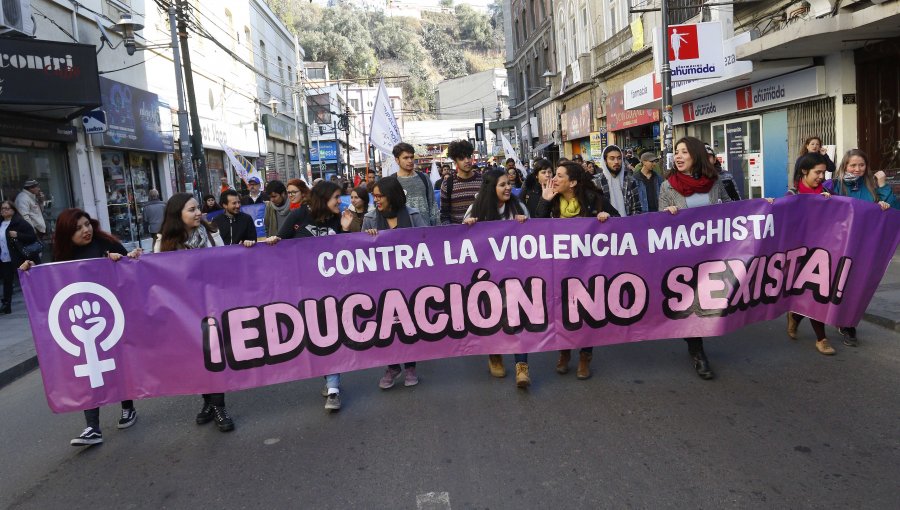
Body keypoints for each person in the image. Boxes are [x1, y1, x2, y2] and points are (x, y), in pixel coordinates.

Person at [20, 208, 141, 445]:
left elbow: (130, 272)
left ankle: (128, 407)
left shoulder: (105, 243)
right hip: (81, 321)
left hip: (112, 316)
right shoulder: (61, 256)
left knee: (118, 363)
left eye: (87, 224)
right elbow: (50, 282)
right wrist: (28, 271)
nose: (85, 230)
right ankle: (92, 427)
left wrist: (118, 261)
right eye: (78, 228)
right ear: (67, 233)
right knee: (89, 371)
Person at [266, 181, 353, 411]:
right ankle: (329, 378)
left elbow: (348, 255)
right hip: (303, 289)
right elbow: (279, 244)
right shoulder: (299, 216)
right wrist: (271, 241)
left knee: (330, 334)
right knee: (316, 336)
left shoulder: (339, 218)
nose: (340, 201)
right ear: (324, 198)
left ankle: (333, 387)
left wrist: (344, 230)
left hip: (333, 289)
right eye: (336, 197)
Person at [155, 193, 235, 431]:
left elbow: (224, 263)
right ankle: (208, 402)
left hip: (211, 304)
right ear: (177, 215)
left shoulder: (211, 233)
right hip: (183, 310)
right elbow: (158, 278)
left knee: (214, 355)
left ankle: (219, 406)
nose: (198, 213)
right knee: (196, 358)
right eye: (191, 210)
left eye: (197, 208)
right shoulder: (163, 243)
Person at [535, 161, 620, 379]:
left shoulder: (593, 200)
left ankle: (585, 357)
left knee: (587, 312)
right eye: (555, 174)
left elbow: (619, 223)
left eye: (560, 175)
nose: (554, 179)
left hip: (588, 269)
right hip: (559, 269)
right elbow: (535, 231)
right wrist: (544, 202)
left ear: (572, 182)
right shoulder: (551, 200)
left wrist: (605, 219)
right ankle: (564, 352)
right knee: (561, 312)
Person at [659, 136, 734, 380]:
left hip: (713, 255)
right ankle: (697, 352)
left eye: (684, 152)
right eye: (676, 152)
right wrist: (668, 215)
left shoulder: (714, 182)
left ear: (696, 155)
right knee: (693, 304)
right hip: (684, 258)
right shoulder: (667, 186)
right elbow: (658, 225)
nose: (678, 156)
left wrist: (763, 206)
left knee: (711, 301)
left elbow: (734, 208)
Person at [462, 170, 531, 387]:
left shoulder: (518, 207)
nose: (508, 188)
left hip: (515, 275)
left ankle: (522, 366)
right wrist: (469, 227)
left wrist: (525, 224)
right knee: (491, 318)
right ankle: (495, 355)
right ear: (491, 188)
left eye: (509, 184)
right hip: (487, 276)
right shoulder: (475, 209)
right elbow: (463, 244)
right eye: (502, 185)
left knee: (516, 318)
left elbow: (533, 238)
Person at [826, 148, 899, 347]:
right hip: (837, 247)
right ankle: (801, 316)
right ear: (844, 166)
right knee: (834, 285)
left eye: (861, 165)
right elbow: (809, 198)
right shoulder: (833, 185)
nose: (857, 169)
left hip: (865, 248)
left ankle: (847, 324)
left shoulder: (873, 186)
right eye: (853, 165)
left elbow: (894, 211)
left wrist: (884, 190)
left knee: (855, 286)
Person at [363, 175, 428, 389]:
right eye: (374, 197)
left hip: (410, 282)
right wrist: (367, 238)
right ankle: (392, 367)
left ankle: (410, 366)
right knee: (385, 325)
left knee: (409, 325)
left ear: (392, 195)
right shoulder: (371, 219)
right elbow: (359, 253)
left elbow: (427, 244)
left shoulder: (414, 215)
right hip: (381, 283)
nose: (377, 201)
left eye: (380, 196)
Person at [785, 153, 839, 355]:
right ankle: (821, 338)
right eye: (818, 172)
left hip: (825, 251)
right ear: (804, 171)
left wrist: (831, 204)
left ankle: (795, 317)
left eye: (823, 173)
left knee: (817, 292)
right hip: (800, 254)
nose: (821, 177)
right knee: (816, 293)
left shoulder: (827, 192)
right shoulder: (791, 195)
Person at [1, 201, 38, 314]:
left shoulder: (19, 223)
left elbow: (32, 237)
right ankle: (6, 306)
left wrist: (18, 235)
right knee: (7, 282)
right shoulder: (0, 223)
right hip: (4, 258)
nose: (3, 210)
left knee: (26, 281)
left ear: (13, 210)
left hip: (18, 258)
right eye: (2, 208)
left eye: (6, 208)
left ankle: (36, 303)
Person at [391, 143, 439, 226]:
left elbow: (432, 206)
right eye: (405, 158)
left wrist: (437, 229)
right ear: (397, 160)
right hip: (402, 232)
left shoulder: (424, 178)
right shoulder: (392, 181)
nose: (410, 161)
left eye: (411, 157)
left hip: (425, 231)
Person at [440, 139, 482, 225]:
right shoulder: (447, 184)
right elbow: (444, 215)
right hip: (458, 236)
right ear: (455, 162)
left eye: (469, 156)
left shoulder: (483, 181)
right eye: (462, 158)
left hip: (483, 234)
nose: (467, 161)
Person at [594, 144, 642, 217]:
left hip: (627, 226)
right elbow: (592, 211)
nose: (616, 162)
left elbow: (637, 208)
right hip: (605, 226)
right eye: (612, 158)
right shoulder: (596, 182)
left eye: (619, 158)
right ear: (605, 161)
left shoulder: (630, 181)